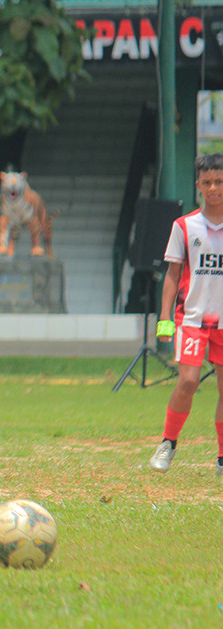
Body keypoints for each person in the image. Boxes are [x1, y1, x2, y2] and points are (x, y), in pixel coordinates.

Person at [150, 153, 223, 478]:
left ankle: (222, 457)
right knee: (189, 381)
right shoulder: (185, 226)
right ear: (198, 186)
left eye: (219, 182)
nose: (214, 188)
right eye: (207, 183)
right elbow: (172, 274)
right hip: (192, 320)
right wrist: (164, 317)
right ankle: (168, 443)